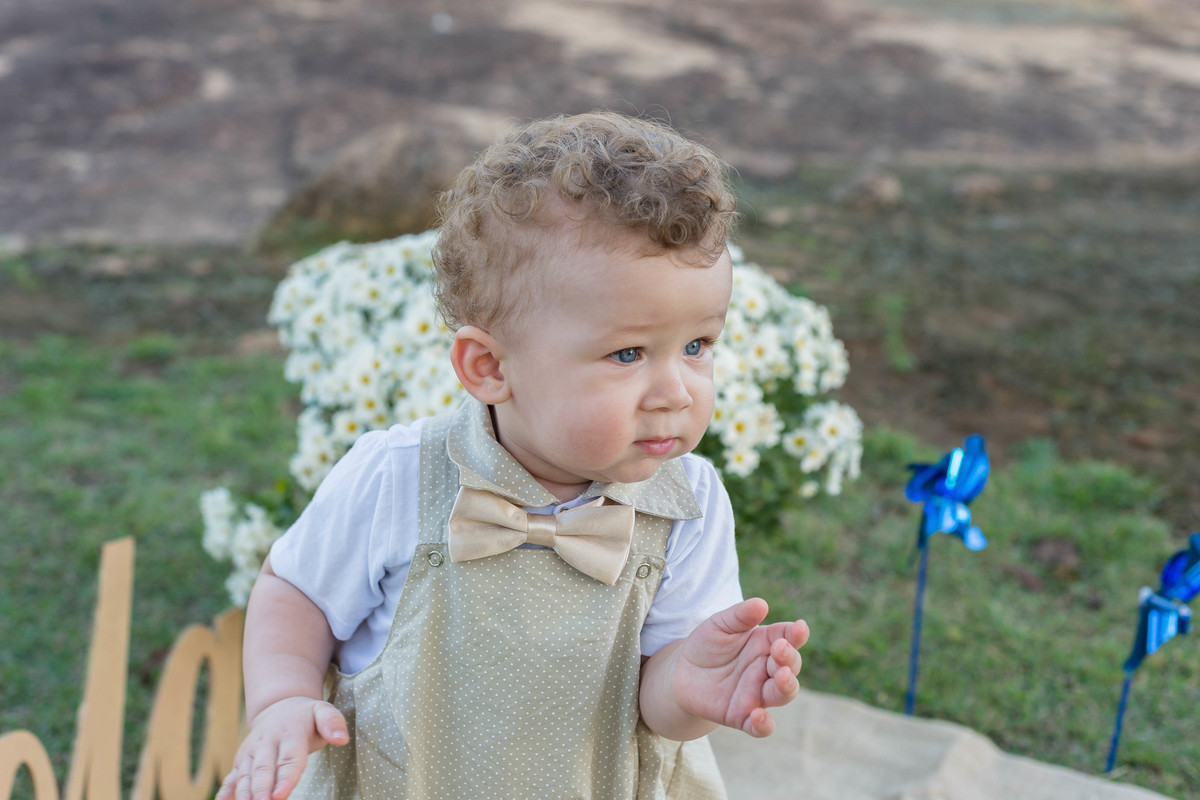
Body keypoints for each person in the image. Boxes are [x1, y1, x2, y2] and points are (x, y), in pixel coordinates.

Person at [218, 111, 810, 800]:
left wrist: (689, 684)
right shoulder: (398, 476)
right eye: (628, 354)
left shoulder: (687, 506)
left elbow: (657, 706)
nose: (676, 392)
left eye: (698, 346)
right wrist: (283, 699)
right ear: (490, 367)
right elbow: (297, 594)